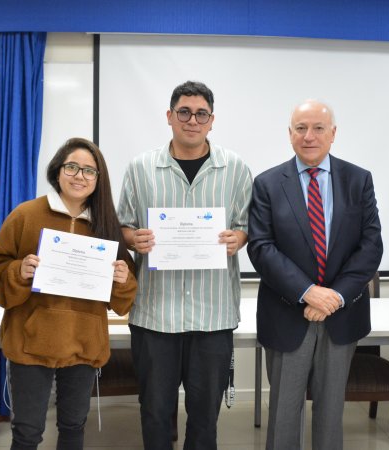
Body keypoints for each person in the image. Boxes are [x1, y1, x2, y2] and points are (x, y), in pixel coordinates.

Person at [116, 80, 252, 449]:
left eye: (201, 114)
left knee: (206, 417)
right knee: (156, 413)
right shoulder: (142, 167)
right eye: (184, 112)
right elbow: (123, 226)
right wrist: (134, 239)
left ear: (211, 120)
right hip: (155, 315)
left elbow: (246, 227)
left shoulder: (236, 168)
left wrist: (237, 239)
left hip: (214, 315)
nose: (192, 120)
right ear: (170, 116)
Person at [0, 137, 137, 449]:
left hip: (83, 343)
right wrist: (18, 271)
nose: (80, 176)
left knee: (74, 427)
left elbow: (125, 295)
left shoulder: (105, 225)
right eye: (72, 167)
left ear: (98, 180)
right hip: (31, 343)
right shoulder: (27, 214)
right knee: (27, 432)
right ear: (57, 171)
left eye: (89, 171)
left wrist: (121, 280)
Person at [247, 99, 383, 450]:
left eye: (318, 128)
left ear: (333, 134)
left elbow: (370, 247)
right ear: (289, 134)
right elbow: (261, 248)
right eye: (301, 128)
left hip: (341, 315)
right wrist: (308, 292)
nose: (309, 136)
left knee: (330, 414)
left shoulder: (358, 180)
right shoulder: (266, 184)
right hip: (286, 313)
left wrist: (333, 296)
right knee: (283, 415)